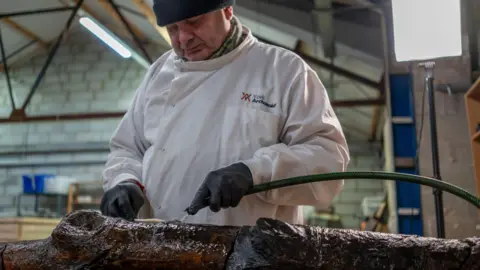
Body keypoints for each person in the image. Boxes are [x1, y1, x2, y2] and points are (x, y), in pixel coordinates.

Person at [100, 0, 350, 226]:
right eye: (172, 29)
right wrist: (124, 180)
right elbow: (127, 149)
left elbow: (328, 158)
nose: (184, 37)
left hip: (252, 254)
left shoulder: (283, 71)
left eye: (194, 22)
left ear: (228, 10)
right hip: (161, 250)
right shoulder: (158, 75)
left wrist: (253, 172)